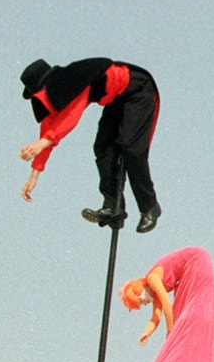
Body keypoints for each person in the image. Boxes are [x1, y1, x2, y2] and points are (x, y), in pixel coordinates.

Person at [18, 56, 161, 232]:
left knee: (130, 147)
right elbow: (47, 130)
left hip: (137, 90)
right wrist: (33, 177)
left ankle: (149, 207)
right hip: (115, 100)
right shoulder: (58, 93)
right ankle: (113, 207)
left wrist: (42, 143)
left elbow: (72, 115)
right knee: (103, 148)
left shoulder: (72, 80)